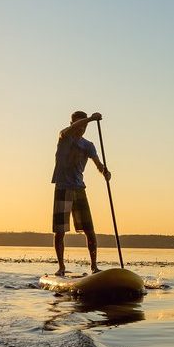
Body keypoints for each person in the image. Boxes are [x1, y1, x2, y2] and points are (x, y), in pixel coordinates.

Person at [51, 111, 111, 276]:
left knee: (89, 230)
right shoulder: (64, 137)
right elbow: (69, 130)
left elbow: (98, 164)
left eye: (84, 126)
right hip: (63, 187)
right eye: (79, 124)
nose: (81, 128)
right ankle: (61, 267)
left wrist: (105, 172)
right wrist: (91, 119)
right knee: (60, 231)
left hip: (79, 189)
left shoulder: (88, 145)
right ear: (71, 124)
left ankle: (94, 266)